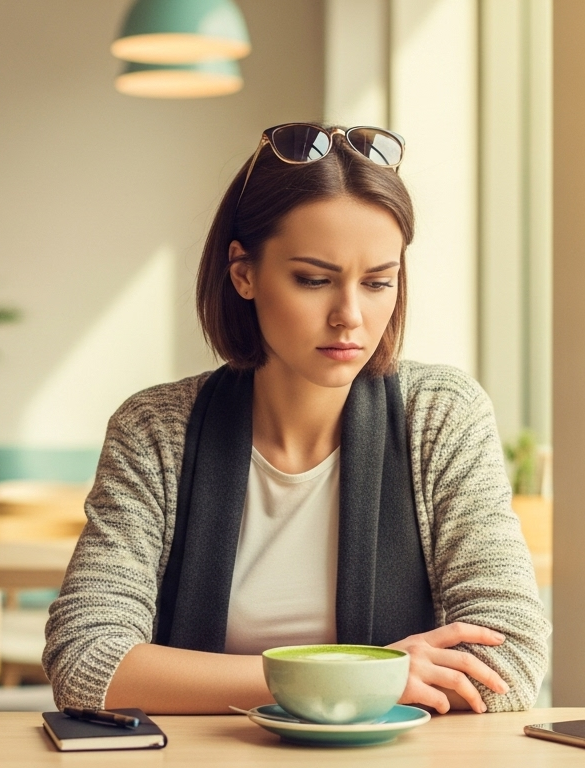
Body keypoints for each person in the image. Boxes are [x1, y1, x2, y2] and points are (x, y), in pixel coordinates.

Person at [42, 122, 549, 715]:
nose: (350, 316)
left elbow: (510, 662)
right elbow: (85, 660)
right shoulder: (156, 429)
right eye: (314, 280)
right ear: (243, 273)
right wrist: (348, 676)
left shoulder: (439, 415)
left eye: (378, 281)